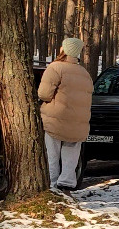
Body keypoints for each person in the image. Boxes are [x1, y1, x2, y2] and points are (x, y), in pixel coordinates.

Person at [37, 37, 93, 191]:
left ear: (64, 49)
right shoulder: (84, 73)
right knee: (71, 153)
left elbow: (44, 94)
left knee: (52, 154)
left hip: (55, 119)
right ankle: (67, 183)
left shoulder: (55, 68)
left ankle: (52, 184)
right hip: (78, 122)